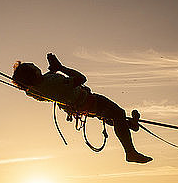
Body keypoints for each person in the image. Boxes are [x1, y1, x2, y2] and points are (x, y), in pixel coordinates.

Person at [12, 53, 152, 164]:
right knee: (118, 113)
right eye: (33, 66)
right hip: (90, 100)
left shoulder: (33, 91)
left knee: (112, 118)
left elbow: (42, 83)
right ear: (34, 73)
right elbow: (81, 78)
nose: (36, 65)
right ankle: (130, 152)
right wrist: (61, 67)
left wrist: (53, 68)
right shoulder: (52, 81)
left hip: (82, 108)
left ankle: (130, 125)